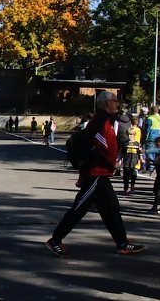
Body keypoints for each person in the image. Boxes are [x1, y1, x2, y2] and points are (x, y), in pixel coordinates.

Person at [45, 91, 145, 257]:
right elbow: (99, 142)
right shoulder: (99, 120)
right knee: (79, 208)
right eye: (115, 101)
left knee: (111, 208)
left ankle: (122, 243)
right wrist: (109, 161)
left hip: (100, 173)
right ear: (106, 103)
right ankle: (55, 240)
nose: (117, 104)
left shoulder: (104, 119)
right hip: (96, 174)